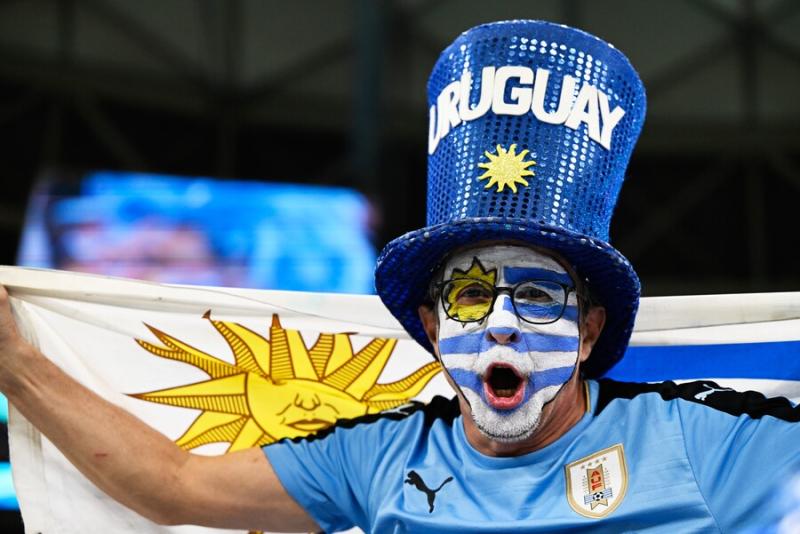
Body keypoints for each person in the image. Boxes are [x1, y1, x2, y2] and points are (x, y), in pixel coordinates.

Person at [0, 19, 797, 533]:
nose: (504, 322)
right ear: (430, 327)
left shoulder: (695, 441)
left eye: (539, 296)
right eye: (471, 295)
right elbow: (173, 483)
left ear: (589, 331)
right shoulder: (379, 456)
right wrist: (15, 362)